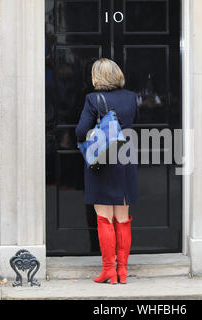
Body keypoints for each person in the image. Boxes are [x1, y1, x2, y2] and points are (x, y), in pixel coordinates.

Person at [76, 58, 139, 284]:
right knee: (122, 218)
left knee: (104, 217)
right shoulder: (132, 97)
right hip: (125, 157)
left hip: (103, 161)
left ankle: (108, 270)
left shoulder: (92, 99)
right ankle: (122, 271)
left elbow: (81, 130)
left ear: (97, 77)